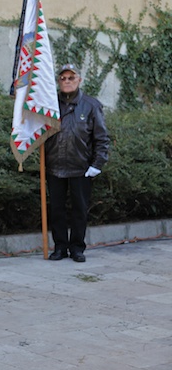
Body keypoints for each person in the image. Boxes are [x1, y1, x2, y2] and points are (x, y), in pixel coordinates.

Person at [45, 63, 110, 263]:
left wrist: (97, 164)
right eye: (63, 78)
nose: (67, 82)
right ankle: (60, 247)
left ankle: (77, 248)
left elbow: (101, 138)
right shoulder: (48, 104)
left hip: (81, 168)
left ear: (79, 80)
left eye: (71, 78)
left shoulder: (91, 105)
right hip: (54, 166)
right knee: (56, 210)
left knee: (79, 210)